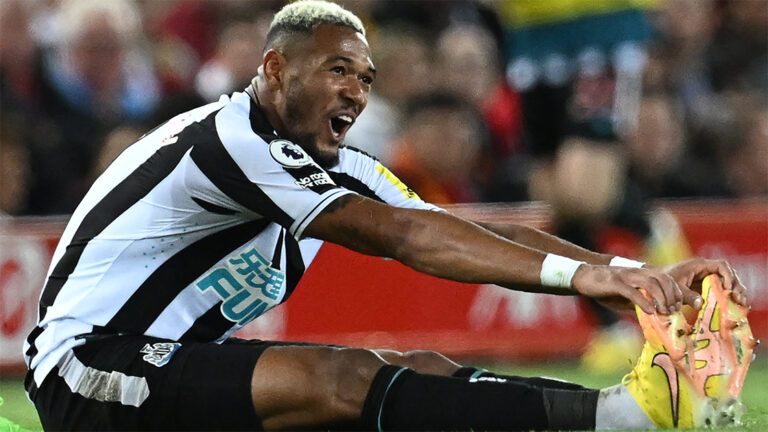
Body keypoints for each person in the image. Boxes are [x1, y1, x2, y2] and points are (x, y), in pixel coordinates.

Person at [24, 1, 752, 431]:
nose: (356, 91)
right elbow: (407, 237)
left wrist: (628, 273)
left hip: (182, 366)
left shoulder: (335, 164)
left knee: (419, 372)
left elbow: (471, 232)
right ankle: (625, 418)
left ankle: (620, 411)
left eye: (366, 77)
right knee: (337, 379)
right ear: (275, 69)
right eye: (337, 68)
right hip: (87, 364)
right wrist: (594, 277)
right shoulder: (231, 137)